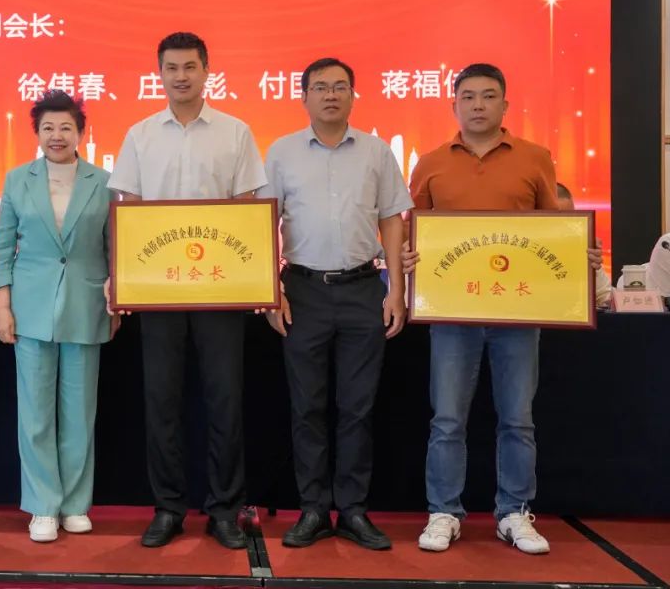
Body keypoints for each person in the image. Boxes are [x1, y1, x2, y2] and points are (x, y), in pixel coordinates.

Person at [405, 63, 603, 555]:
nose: (478, 105)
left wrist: (578, 252)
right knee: (447, 419)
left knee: (518, 419)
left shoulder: (535, 158)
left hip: (517, 313)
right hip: (452, 314)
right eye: (468, 96)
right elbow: (415, 229)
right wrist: (408, 256)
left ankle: (513, 511)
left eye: (488, 96)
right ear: (453, 104)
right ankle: (443, 512)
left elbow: (553, 230)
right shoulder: (430, 163)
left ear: (505, 105)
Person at [107, 32, 267, 550]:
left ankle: (224, 510)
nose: (181, 76)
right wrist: (121, 277)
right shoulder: (140, 134)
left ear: (206, 71)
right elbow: (127, 210)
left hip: (220, 290)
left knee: (226, 401)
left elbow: (247, 208)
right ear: (159, 74)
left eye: (190, 67)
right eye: (172, 68)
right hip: (158, 292)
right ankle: (169, 508)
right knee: (162, 402)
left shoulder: (235, 132)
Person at [259, 58, 411, 550]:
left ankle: (353, 510)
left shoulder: (376, 151)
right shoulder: (282, 152)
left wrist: (396, 289)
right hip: (301, 290)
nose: (330, 95)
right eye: (320, 87)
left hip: (363, 289)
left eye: (340, 87)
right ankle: (312, 509)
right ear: (303, 96)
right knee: (307, 406)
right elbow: (263, 221)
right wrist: (271, 290)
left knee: (358, 407)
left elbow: (392, 219)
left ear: (352, 95)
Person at [0, 90, 119, 543]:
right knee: (36, 413)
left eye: (66, 127)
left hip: (87, 304)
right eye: (48, 128)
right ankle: (43, 506)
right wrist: (2, 306)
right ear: (38, 133)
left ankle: (76, 504)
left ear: (81, 132)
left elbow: (115, 247)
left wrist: (117, 297)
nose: (57, 135)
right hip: (30, 307)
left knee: (79, 412)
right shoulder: (17, 180)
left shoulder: (104, 181)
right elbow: (2, 248)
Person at [555, 184, 611, 308]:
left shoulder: (582, 249)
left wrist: (593, 270)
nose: (565, 226)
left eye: (569, 219)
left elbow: (605, 296)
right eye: (556, 220)